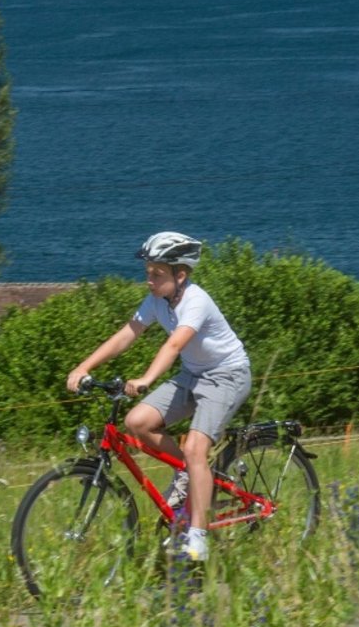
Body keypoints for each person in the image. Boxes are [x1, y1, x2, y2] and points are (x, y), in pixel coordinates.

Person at [66, 232, 251, 562]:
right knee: (137, 421)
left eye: (157, 273)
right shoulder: (157, 301)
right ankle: (189, 472)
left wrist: (148, 379)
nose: (149, 280)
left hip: (227, 376)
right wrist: (83, 366)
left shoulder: (196, 300)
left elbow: (174, 345)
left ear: (180, 275)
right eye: (147, 272)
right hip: (193, 375)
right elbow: (127, 334)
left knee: (196, 448)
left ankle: (198, 536)